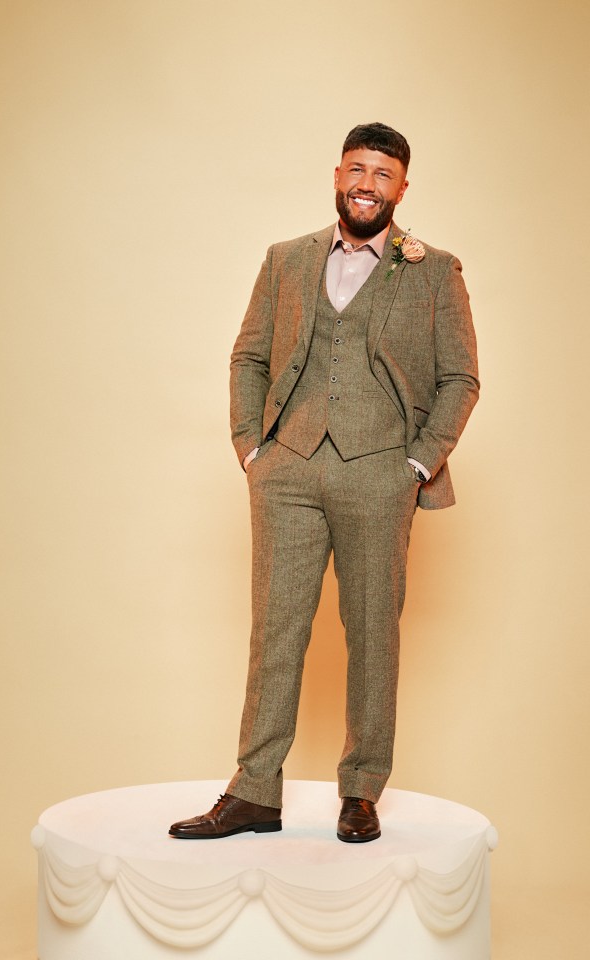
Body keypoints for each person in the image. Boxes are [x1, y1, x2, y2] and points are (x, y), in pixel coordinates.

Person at [169, 122, 479, 843]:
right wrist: (252, 449)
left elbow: (461, 377)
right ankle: (254, 792)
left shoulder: (435, 269)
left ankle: (361, 791)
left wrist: (416, 463)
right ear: (337, 175)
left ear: (402, 189)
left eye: (383, 174)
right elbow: (248, 358)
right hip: (287, 469)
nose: (367, 184)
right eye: (357, 169)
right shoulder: (286, 260)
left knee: (373, 634)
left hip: (380, 471)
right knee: (275, 632)